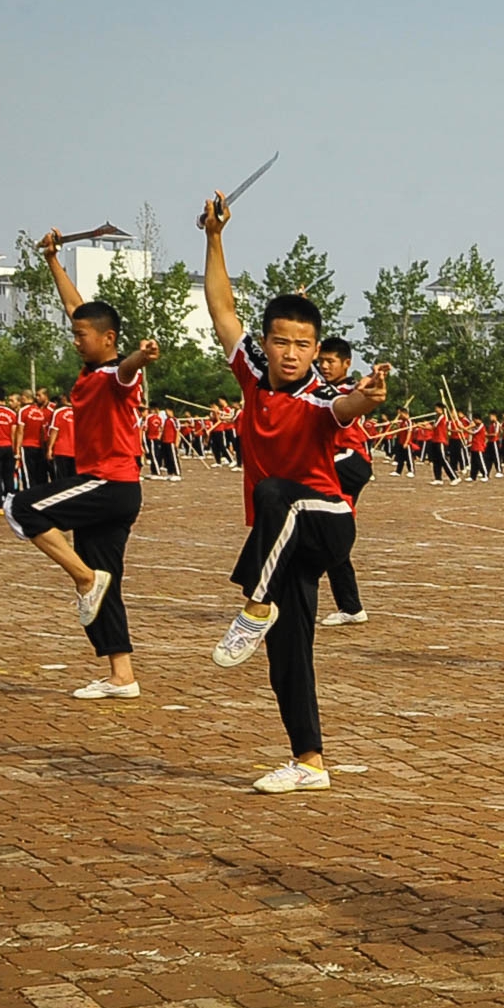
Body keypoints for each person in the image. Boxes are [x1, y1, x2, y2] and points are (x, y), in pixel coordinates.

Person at [202, 189, 390, 793]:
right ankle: (308, 760)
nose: (289, 353)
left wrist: (369, 395)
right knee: (289, 657)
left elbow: (347, 406)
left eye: (302, 345)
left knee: (278, 492)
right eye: (280, 341)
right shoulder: (254, 376)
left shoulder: (320, 399)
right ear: (268, 341)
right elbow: (220, 307)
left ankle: (254, 604)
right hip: (282, 541)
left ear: (317, 350)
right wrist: (214, 237)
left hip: (326, 522)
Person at [4, 230, 160, 700]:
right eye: (74, 334)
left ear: (108, 339)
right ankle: (122, 675)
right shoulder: (91, 370)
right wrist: (53, 260)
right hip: (116, 489)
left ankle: (84, 577)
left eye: (82, 336)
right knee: (108, 583)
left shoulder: (114, 374)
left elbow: (127, 368)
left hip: (108, 483)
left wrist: (141, 355)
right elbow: (77, 308)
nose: (75, 340)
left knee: (20, 507)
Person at [316, 336, 373, 627]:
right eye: (321, 360)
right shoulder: (316, 387)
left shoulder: (349, 387)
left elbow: (363, 391)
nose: (324, 366)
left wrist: (373, 382)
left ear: (346, 364)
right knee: (331, 539)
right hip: (338, 467)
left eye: (331, 362)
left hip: (349, 462)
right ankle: (351, 607)